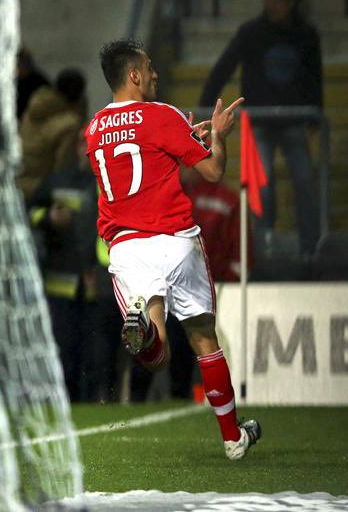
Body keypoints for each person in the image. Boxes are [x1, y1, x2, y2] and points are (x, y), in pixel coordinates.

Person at [85, 39, 260, 459]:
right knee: (203, 339)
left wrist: (180, 134)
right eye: (149, 68)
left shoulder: (92, 129)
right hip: (175, 240)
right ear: (134, 75)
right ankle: (232, 437)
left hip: (127, 249)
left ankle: (145, 329)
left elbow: (139, 153)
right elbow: (213, 172)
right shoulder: (161, 115)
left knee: (156, 354)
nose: (155, 75)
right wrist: (216, 136)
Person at [199, 0, 322, 255]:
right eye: (267, 1)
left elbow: (315, 74)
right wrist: (206, 104)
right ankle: (264, 245)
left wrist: (316, 112)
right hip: (261, 121)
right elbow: (224, 67)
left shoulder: (305, 33)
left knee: (304, 183)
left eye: (276, 1)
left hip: (293, 119)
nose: (271, 6)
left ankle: (312, 248)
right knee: (263, 186)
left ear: (291, 2)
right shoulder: (252, 32)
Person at [29, 130, 118, 402]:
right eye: (85, 144)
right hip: (60, 284)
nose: (88, 149)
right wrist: (48, 218)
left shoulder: (108, 184)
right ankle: (66, 403)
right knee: (64, 350)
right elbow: (28, 212)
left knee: (97, 354)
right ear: (78, 146)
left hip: (97, 287)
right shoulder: (57, 181)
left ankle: (95, 404)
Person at [17, 68, 88, 199]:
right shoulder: (71, 124)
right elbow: (65, 168)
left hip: (17, 177)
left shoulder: (38, 102)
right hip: (37, 185)